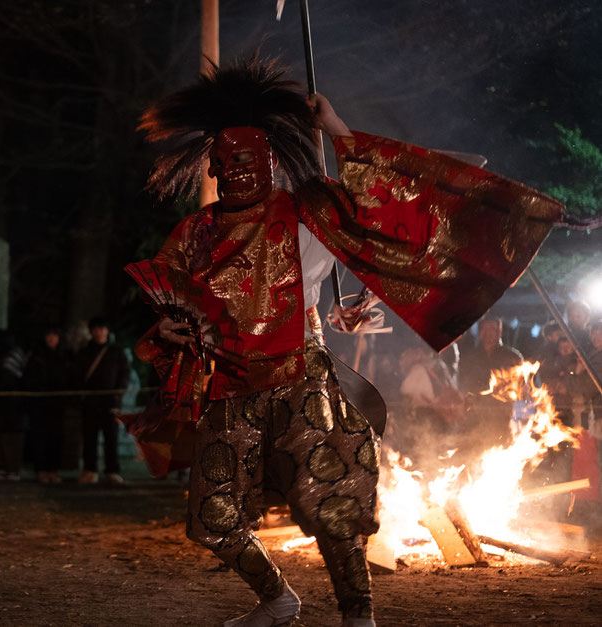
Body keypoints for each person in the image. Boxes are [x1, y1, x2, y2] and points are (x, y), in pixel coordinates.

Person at [127, 57, 561, 627]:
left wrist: (333, 125)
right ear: (210, 164)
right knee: (213, 517)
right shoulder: (193, 234)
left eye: (244, 158)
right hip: (229, 389)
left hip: (301, 381)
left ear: (270, 159)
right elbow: (169, 302)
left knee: (332, 506)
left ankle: (359, 616)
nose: (233, 170)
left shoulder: (306, 212)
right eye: (223, 160)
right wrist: (165, 329)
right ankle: (278, 599)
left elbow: (385, 210)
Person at [73, 316, 130, 485]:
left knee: (111, 437)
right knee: (89, 437)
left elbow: (124, 374)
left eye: (102, 328)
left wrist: (118, 393)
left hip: (110, 401)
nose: (99, 332)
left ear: (107, 331)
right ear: (91, 331)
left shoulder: (116, 352)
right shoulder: (84, 352)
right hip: (90, 401)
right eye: (96, 328)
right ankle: (90, 470)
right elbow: (77, 375)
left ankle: (112, 471)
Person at [24, 328, 70, 483]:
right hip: (40, 403)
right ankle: (41, 469)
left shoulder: (65, 355)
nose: (52, 338)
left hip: (58, 403)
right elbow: (30, 378)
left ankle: (53, 469)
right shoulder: (36, 356)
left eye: (54, 335)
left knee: (56, 437)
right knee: (40, 436)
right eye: (49, 335)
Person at [0, 329, 28, 480]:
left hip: (14, 403)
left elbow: (5, 379)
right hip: (6, 403)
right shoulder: (13, 355)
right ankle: (6, 467)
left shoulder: (11, 357)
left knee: (14, 437)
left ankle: (13, 468)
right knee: (4, 436)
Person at [457, 317, 524, 395]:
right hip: (475, 403)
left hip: (503, 404)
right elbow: (462, 384)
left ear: (500, 332)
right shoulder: (470, 357)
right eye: (485, 329)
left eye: (492, 329)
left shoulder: (512, 357)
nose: (488, 333)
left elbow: (521, 386)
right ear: (479, 332)